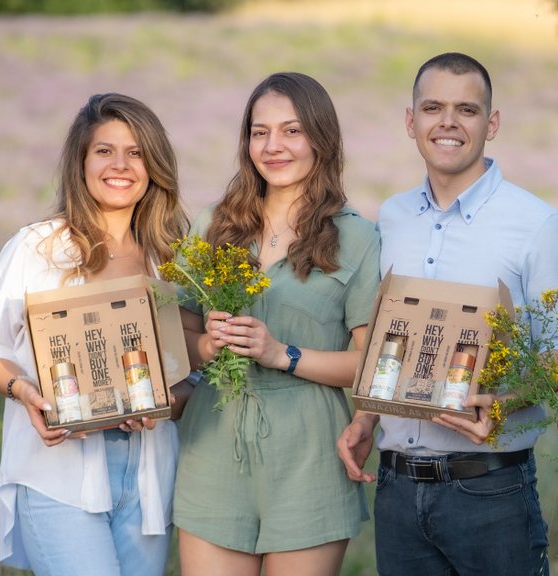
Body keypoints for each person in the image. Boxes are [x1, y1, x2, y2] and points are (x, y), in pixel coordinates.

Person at [335, 52, 558, 576]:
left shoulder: (540, 228)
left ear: (491, 124)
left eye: (466, 109)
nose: (447, 122)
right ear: (411, 121)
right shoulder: (393, 218)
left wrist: (506, 402)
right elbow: (393, 339)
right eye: (433, 107)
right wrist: (366, 417)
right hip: (397, 490)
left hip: (491, 490)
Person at [0, 93, 190, 575]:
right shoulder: (37, 248)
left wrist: (159, 407)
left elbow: (183, 378)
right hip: (60, 475)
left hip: (148, 478)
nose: (121, 165)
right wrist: (23, 390)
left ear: (154, 166)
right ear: (81, 161)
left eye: (136, 152)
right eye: (104, 150)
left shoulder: (169, 260)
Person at [173, 72, 381, 576]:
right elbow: (173, 335)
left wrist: (280, 353)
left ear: (321, 139)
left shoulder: (357, 239)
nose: (273, 146)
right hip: (213, 447)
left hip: (309, 456)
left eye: (291, 130)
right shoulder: (213, 225)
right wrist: (205, 344)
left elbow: (372, 365)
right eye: (259, 131)